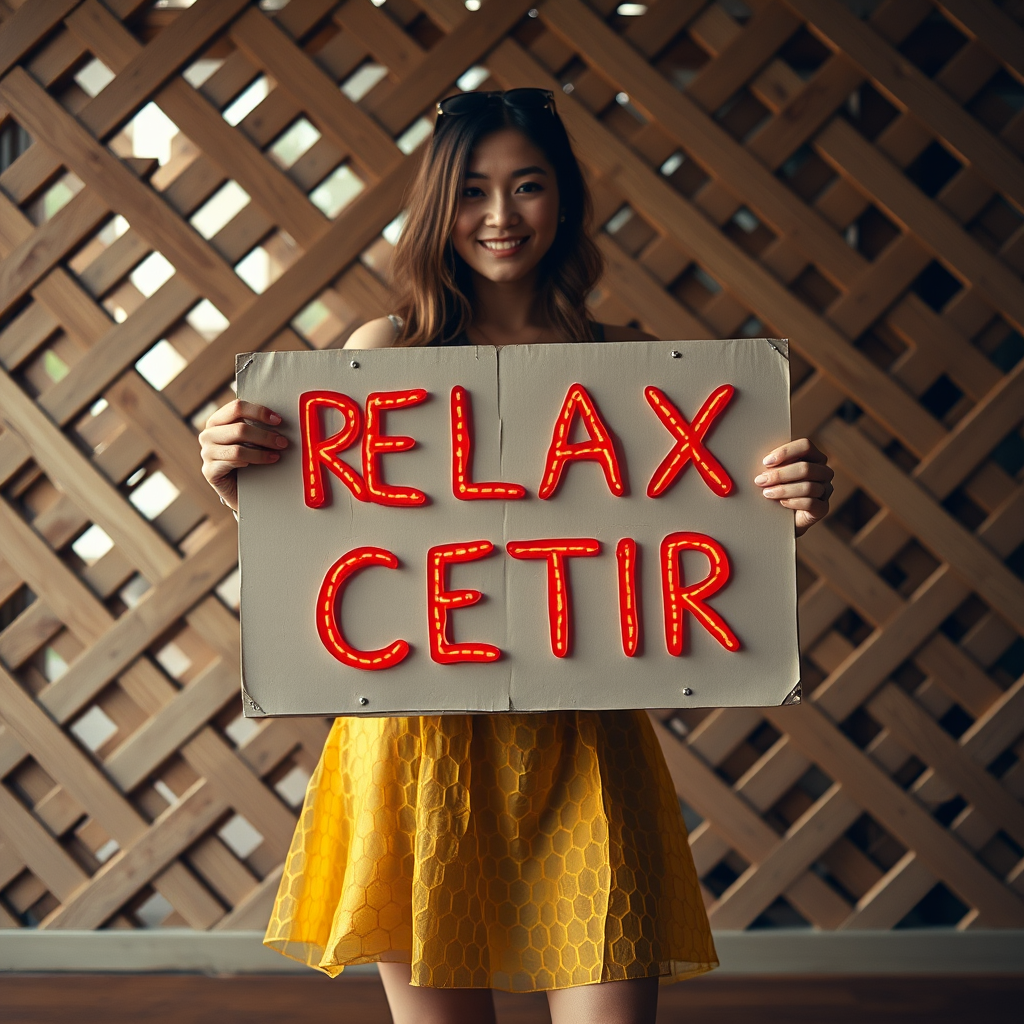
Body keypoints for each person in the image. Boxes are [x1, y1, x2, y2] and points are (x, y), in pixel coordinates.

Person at [199, 88, 833, 1024]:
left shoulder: (632, 368)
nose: (500, 217)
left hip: (582, 740)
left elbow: (699, 532)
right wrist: (239, 474)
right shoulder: (386, 353)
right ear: (439, 210)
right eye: (474, 191)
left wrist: (784, 500)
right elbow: (330, 521)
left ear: (566, 202)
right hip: (420, 739)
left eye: (527, 187)